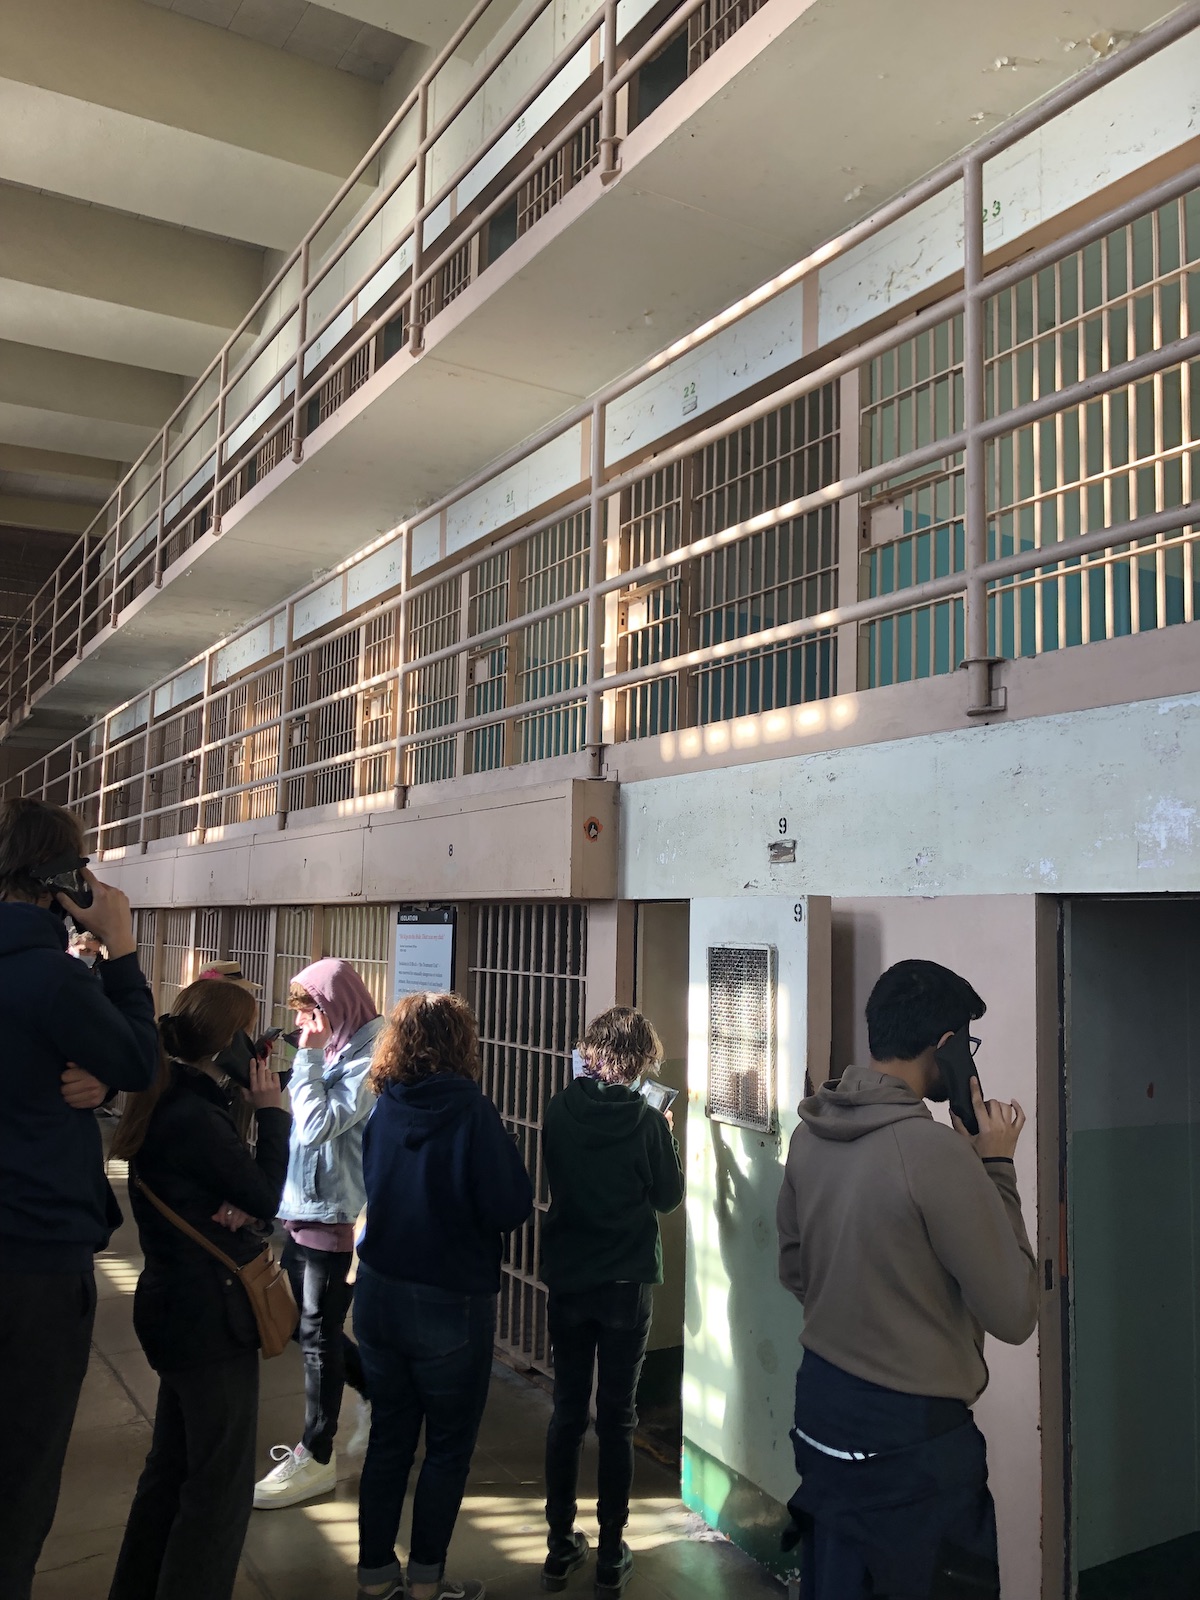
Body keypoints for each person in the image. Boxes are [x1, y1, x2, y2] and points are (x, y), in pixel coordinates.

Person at [775, 959, 1039, 1600]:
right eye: (965, 1046)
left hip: (820, 1413)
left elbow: (795, 1269)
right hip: (910, 1446)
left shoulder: (811, 1133)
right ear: (945, 1049)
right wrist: (997, 1165)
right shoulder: (934, 1154)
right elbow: (1014, 1312)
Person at [0, 797, 159, 1600]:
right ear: (60, 879)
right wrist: (123, 950)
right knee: (21, 1476)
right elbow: (138, 1059)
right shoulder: (50, 979)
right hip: (33, 1256)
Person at [106, 979, 291, 1600]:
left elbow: (237, 1196)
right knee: (219, 1487)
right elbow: (266, 1195)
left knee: (173, 1469)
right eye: (250, 1035)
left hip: (173, 1306)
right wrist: (271, 1115)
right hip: (208, 1315)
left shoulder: (169, 1097)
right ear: (227, 1042)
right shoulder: (196, 1116)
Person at [355, 991, 534, 1600]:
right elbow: (510, 1205)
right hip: (447, 1299)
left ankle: (375, 1578)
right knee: (447, 1448)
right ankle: (427, 1582)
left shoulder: (385, 1107)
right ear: (462, 1042)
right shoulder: (471, 1113)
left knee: (389, 1439)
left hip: (378, 1292)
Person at [538, 1007, 684, 1597]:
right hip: (626, 1281)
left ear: (591, 1051)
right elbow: (668, 1199)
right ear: (643, 1061)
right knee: (617, 1418)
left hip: (569, 1275)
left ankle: (556, 1546)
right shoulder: (647, 1121)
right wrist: (665, 1138)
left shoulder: (559, 1108)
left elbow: (560, 1178)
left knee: (567, 1412)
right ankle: (610, 1549)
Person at [253, 958, 383, 1509]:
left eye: (312, 1012)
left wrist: (305, 1056)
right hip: (304, 1208)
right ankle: (380, 1390)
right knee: (315, 1332)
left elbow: (316, 1124)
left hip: (336, 1216)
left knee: (318, 1337)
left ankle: (317, 1455)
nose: (306, 1024)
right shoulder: (335, 1048)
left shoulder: (372, 1059)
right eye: (302, 1015)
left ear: (335, 1008)